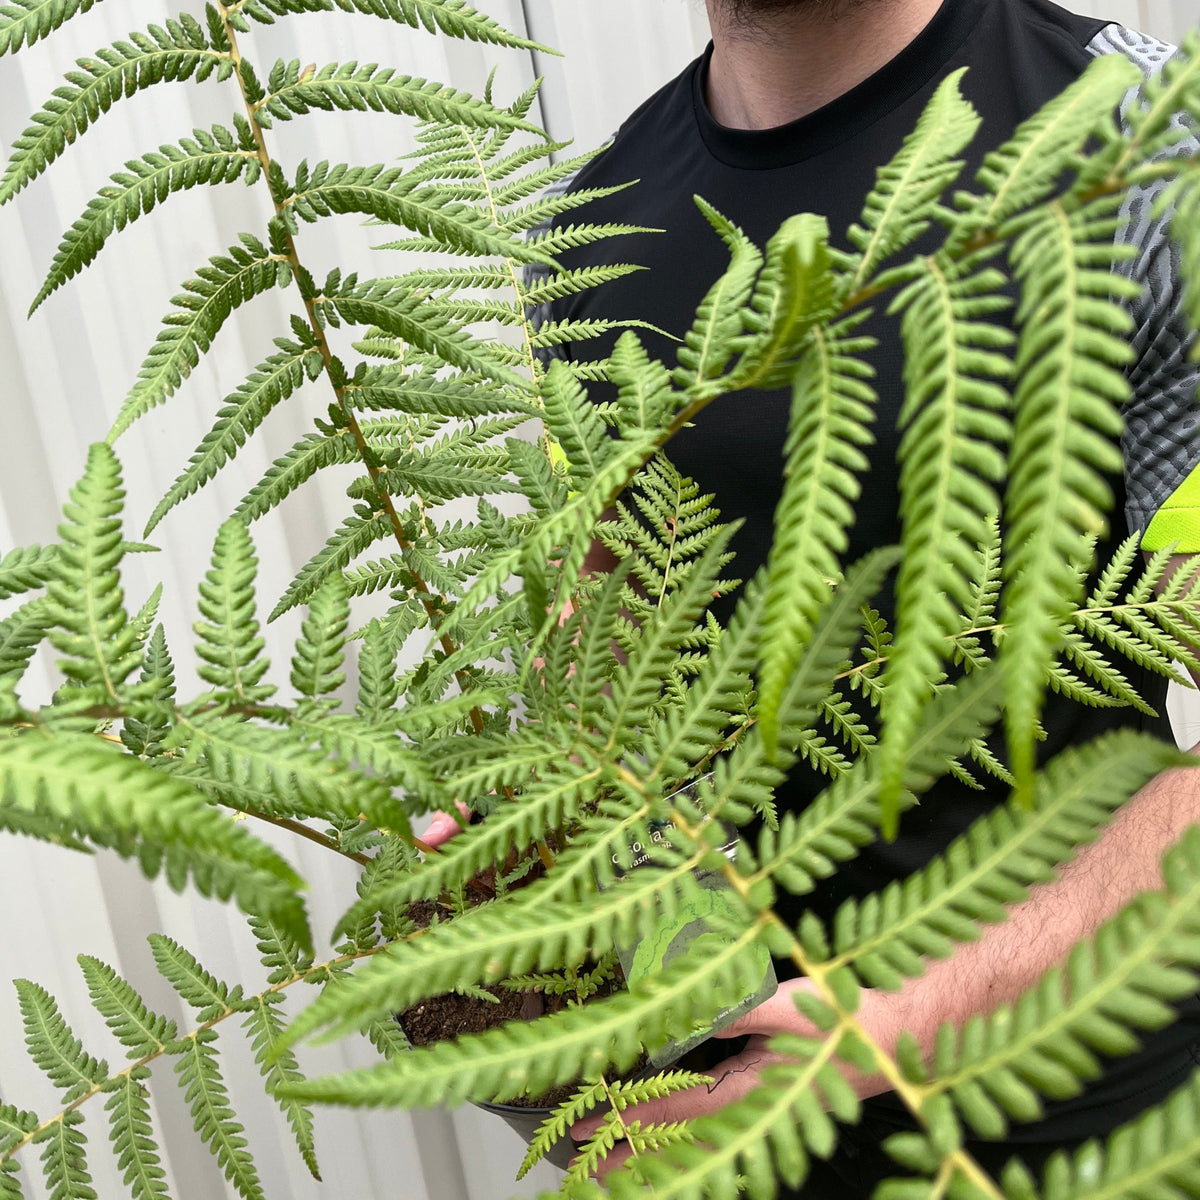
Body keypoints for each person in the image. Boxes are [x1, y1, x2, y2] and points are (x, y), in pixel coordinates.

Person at [430, 0, 1200, 1193]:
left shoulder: (1147, 140)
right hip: (739, 1135)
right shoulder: (579, 239)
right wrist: (521, 843)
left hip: (1104, 1110)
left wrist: (923, 1010)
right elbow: (608, 672)